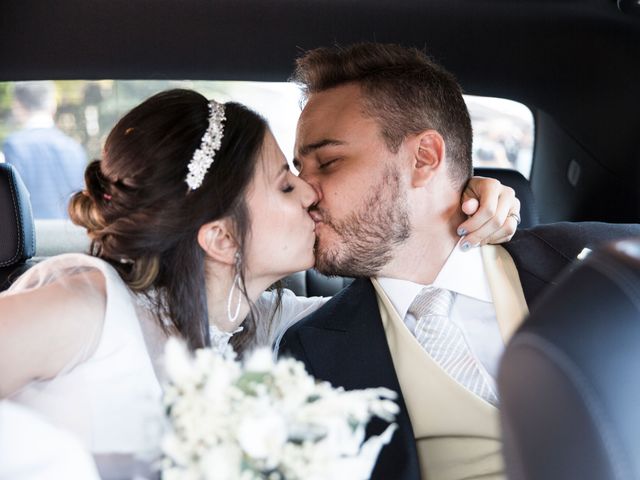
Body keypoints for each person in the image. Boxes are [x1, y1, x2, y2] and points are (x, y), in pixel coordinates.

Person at [0, 88, 519, 475]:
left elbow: (415, 295)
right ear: (223, 239)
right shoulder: (86, 308)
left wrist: (454, 198)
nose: (312, 195)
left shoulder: (277, 331)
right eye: (285, 183)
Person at [277, 42, 640, 480]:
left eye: (328, 162)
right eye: (298, 172)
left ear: (425, 158)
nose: (306, 191)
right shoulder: (309, 355)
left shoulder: (612, 262)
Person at [2, 81, 87, 219]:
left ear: (17, 105)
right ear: (52, 105)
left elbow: (12, 201)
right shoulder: (74, 147)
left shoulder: (14, 146)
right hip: (70, 235)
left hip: (32, 237)